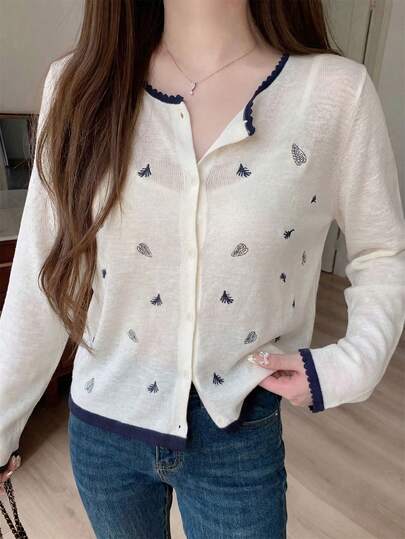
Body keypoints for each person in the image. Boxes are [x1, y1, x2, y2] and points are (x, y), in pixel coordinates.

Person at [1, 1, 404, 537]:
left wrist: (354, 364)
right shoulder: (79, 86)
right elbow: (40, 279)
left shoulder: (333, 94)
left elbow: (382, 251)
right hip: (104, 427)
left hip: (237, 429)